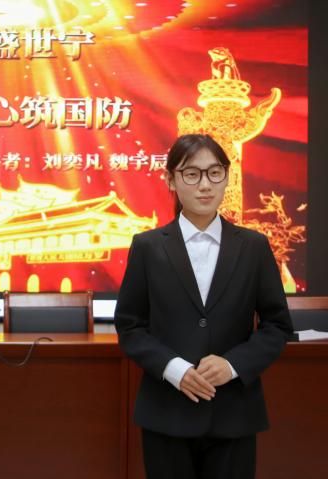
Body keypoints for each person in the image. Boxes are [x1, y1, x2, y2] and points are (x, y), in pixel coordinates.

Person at [114, 134, 293, 479]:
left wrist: (233, 365)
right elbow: (130, 327)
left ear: (227, 177)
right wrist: (175, 369)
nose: (205, 185)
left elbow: (277, 325)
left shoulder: (253, 246)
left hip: (234, 414)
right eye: (192, 174)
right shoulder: (148, 246)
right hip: (167, 413)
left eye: (214, 173)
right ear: (171, 179)